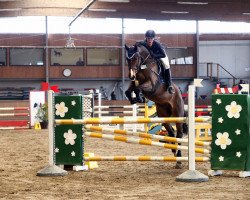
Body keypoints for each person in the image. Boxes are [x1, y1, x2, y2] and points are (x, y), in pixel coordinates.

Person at [139, 30, 175, 94]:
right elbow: (138, 45)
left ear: (153, 38)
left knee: (166, 65)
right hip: (150, 60)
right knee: (141, 66)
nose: (150, 40)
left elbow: (163, 55)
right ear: (146, 38)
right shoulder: (143, 43)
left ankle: (169, 85)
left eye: (151, 38)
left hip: (160, 55)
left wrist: (154, 55)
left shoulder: (157, 44)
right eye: (148, 38)